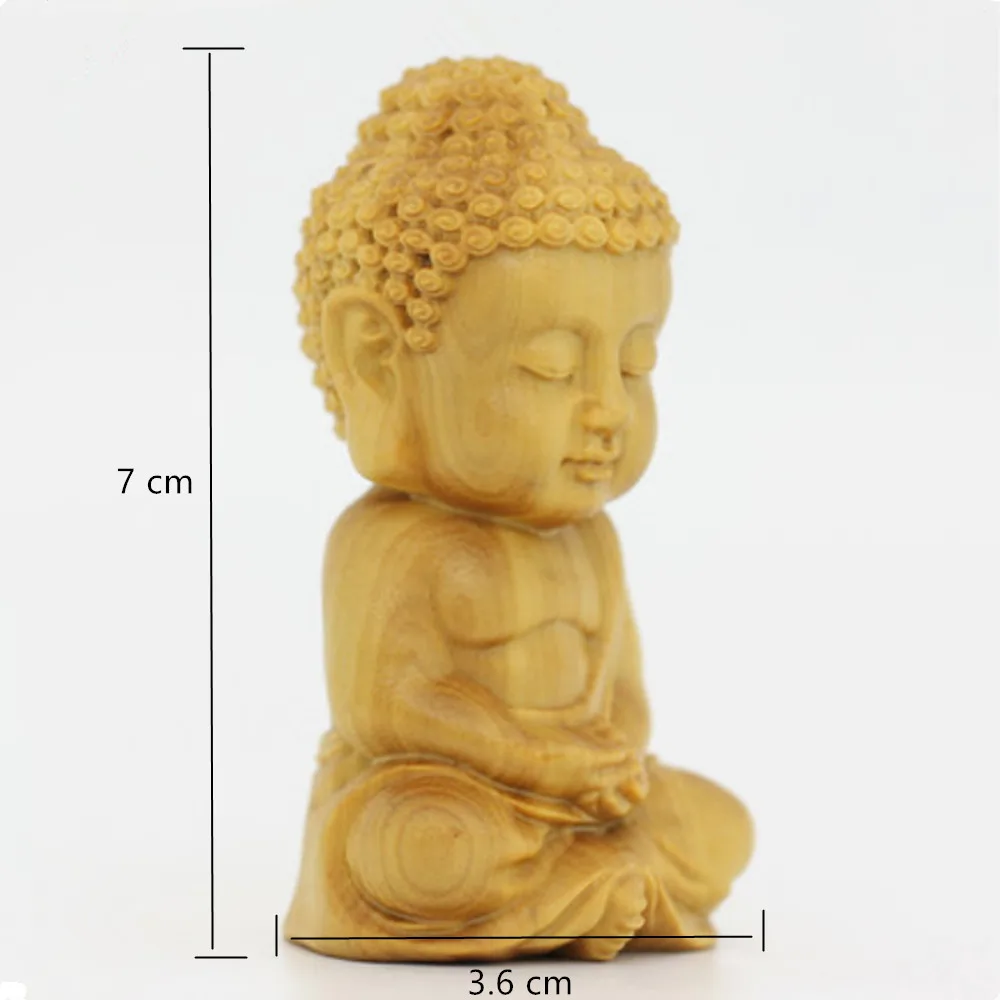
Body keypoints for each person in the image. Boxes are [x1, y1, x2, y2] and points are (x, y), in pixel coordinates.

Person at [286, 56, 752, 962]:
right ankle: (585, 889)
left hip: (581, 798)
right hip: (456, 794)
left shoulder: (591, 540)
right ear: (378, 360)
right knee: (414, 841)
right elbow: (386, 709)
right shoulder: (390, 543)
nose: (609, 409)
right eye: (550, 366)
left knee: (719, 825)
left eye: (635, 365)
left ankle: (588, 883)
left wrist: (613, 762)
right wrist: (532, 762)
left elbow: (622, 687)